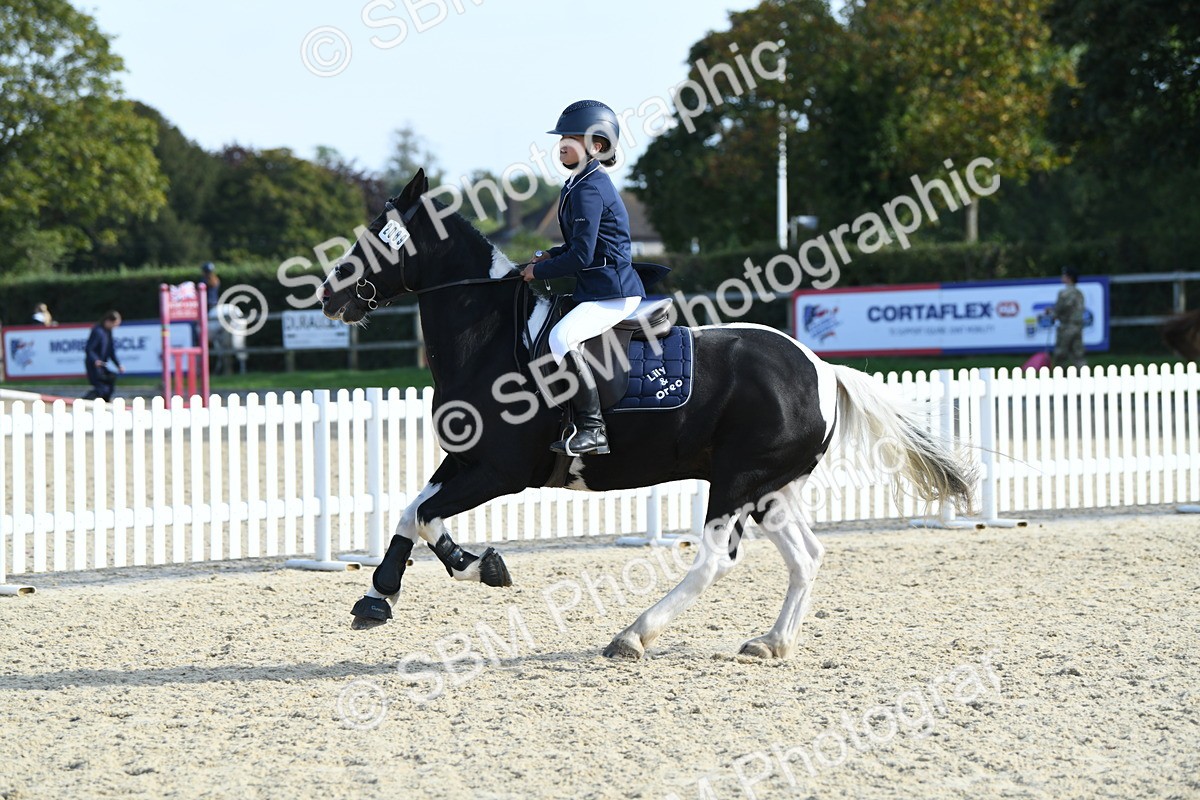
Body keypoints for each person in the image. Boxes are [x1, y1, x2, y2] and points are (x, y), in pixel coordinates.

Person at [520, 100, 646, 456]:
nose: (562, 144)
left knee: (561, 338)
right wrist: (547, 255)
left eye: (572, 138)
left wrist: (539, 271)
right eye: (561, 137)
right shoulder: (577, 183)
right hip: (596, 289)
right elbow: (574, 245)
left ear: (597, 146)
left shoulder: (590, 188)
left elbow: (582, 256)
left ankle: (593, 429)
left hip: (613, 293)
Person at [1043, 267, 1086, 368]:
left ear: (1069, 278)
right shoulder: (1079, 293)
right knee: (1078, 356)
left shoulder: (1064, 293)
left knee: (1060, 356)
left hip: (1066, 327)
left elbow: (1060, 309)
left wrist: (1052, 314)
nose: (1062, 277)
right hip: (1077, 327)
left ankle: (1061, 379)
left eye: (1064, 275)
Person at [84, 311, 125, 401]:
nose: (115, 327)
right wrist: (95, 360)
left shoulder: (108, 332)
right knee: (101, 388)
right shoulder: (97, 331)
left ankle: (106, 405)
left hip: (102, 365)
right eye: (114, 324)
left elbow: (111, 351)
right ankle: (84, 402)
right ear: (108, 321)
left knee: (110, 381)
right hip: (94, 365)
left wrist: (118, 365)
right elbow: (89, 349)